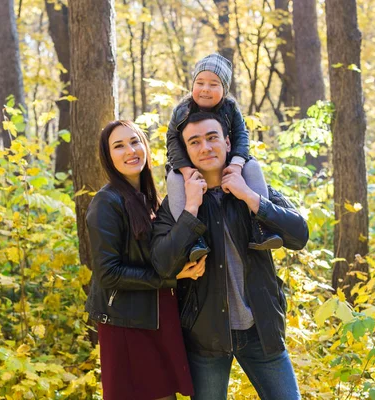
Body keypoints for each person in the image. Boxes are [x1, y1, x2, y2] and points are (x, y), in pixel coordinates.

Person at [151, 112, 309, 400]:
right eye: (195, 142)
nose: (205, 147)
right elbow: (162, 264)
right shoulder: (176, 205)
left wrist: (250, 197)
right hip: (205, 336)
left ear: (227, 142)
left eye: (212, 138)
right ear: (186, 153)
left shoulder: (254, 188)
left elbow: (299, 236)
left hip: (261, 330)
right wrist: (191, 209)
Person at [85, 120, 204, 400]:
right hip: (126, 322)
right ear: (108, 156)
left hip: (157, 314)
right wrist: (172, 278)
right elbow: (108, 274)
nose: (130, 150)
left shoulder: (150, 198)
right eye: (119, 145)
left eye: (135, 141)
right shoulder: (106, 202)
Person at [166, 53, 282, 262]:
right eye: (200, 82)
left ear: (224, 89)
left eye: (214, 84)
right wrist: (184, 170)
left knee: (252, 167)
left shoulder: (230, 108)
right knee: (174, 180)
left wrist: (237, 165)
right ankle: (193, 239)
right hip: (189, 165)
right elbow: (172, 140)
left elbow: (242, 135)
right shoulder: (182, 109)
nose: (205, 89)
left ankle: (260, 227)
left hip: (228, 162)